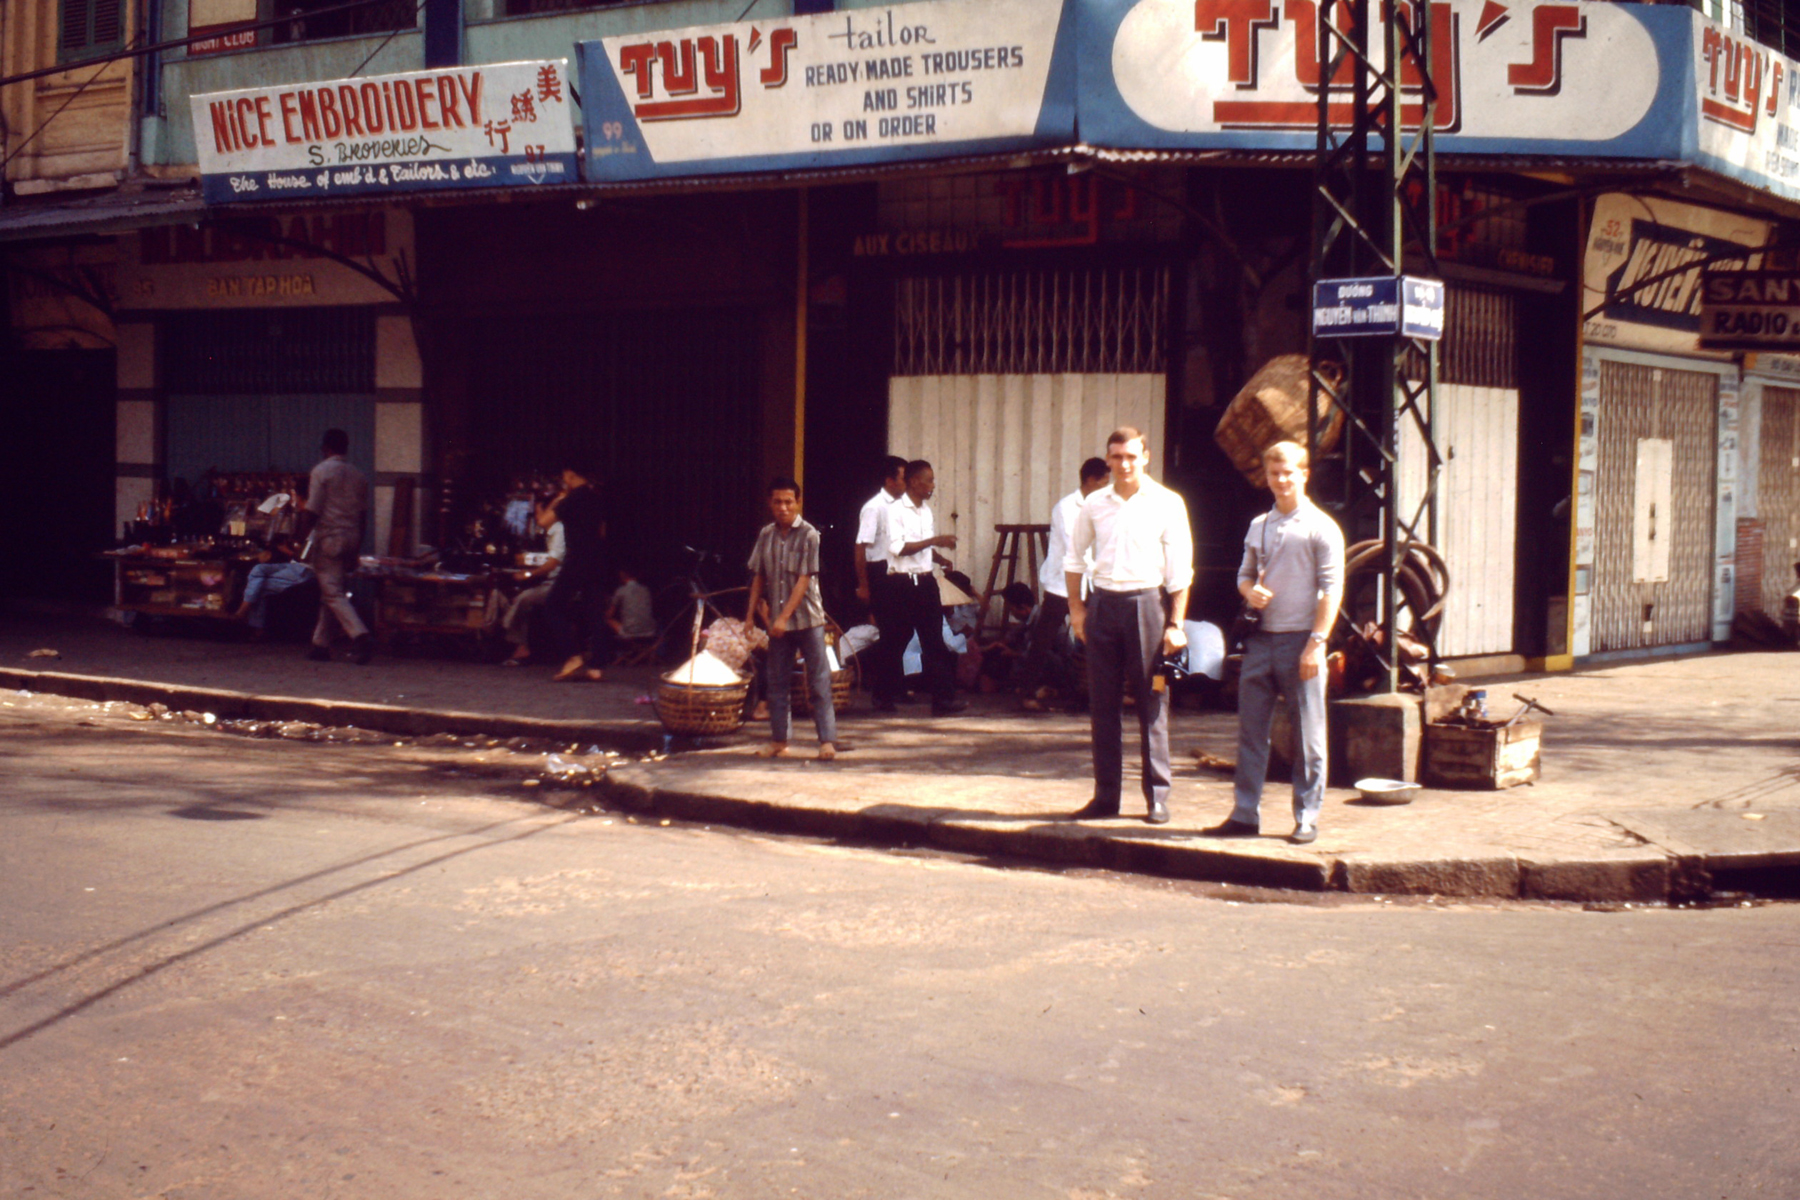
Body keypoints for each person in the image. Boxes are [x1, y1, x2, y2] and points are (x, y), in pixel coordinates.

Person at [1207, 440, 1345, 845]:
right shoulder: (1258, 525)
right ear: (1265, 477)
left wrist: (1316, 644)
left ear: (1304, 474)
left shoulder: (1321, 527)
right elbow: (1243, 575)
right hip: (1260, 642)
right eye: (1273, 473)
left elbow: (1330, 591)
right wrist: (1249, 592)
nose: (1281, 480)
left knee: (1309, 735)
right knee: (1251, 733)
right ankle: (1245, 814)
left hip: (1301, 641)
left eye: (1289, 472)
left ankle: (1306, 817)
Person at [1065, 427, 1194, 824]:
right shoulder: (1094, 504)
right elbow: (1074, 559)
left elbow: (1180, 572)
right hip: (1103, 607)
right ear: (1108, 460)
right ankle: (1106, 797)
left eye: (1131, 457)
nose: (1124, 465)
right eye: (1117, 457)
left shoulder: (1167, 503)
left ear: (1146, 457)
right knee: (1102, 706)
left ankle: (1157, 797)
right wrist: (1078, 611)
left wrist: (1175, 624)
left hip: (1147, 609)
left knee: (1152, 702)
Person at [745, 477, 837, 760]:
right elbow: (759, 576)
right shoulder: (766, 535)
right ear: (770, 504)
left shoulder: (809, 534)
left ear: (797, 502)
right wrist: (749, 616)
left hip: (807, 619)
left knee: (818, 681)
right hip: (778, 624)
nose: (783, 507)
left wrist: (782, 618)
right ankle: (779, 740)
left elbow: (803, 581)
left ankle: (826, 741)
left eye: (788, 502)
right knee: (777, 682)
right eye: (777, 502)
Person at [1020, 456, 1109, 711]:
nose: (1107, 489)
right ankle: (1026, 692)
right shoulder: (1066, 508)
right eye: (1103, 483)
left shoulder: (1102, 506)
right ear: (1090, 481)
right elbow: (1075, 547)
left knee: (1096, 638)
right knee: (1044, 638)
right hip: (1062, 582)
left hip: (1091, 583)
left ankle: (1087, 693)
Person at [885, 460, 966, 716]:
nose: (932, 485)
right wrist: (934, 540)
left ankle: (943, 701)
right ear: (913, 482)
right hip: (901, 583)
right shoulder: (895, 511)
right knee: (896, 641)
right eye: (928, 480)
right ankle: (882, 693)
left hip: (925, 581)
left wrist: (939, 557)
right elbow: (898, 548)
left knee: (934, 641)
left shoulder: (926, 511)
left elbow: (922, 548)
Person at [300, 428, 373, 664]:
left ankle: (360, 636)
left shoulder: (321, 471)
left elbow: (312, 510)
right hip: (351, 537)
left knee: (332, 593)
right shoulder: (358, 475)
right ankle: (320, 644)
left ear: (325, 448)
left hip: (330, 538)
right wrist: (357, 547)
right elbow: (363, 517)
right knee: (331, 592)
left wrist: (299, 537)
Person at [539, 462, 610, 683]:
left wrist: (559, 499)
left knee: (552, 606)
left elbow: (544, 521)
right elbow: (602, 530)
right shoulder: (596, 496)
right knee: (595, 610)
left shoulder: (571, 498)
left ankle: (572, 655)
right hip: (597, 558)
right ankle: (597, 666)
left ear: (570, 474)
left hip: (576, 559)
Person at [856, 456, 909, 711]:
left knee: (903, 632)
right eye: (903, 477)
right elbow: (861, 547)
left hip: (900, 574)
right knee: (889, 634)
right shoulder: (874, 507)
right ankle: (881, 693)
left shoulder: (904, 507)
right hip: (880, 574)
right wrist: (864, 584)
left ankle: (895, 688)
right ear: (890, 480)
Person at [500, 510, 564, 665]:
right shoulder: (550, 533)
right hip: (552, 580)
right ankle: (518, 641)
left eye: (539, 512)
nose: (537, 518)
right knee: (518, 596)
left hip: (560, 583)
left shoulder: (560, 531)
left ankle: (510, 636)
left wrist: (529, 574)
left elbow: (553, 562)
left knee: (524, 598)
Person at [235, 537, 313, 637]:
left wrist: (287, 551)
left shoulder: (318, 533)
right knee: (258, 568)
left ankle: (247, 615)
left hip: (304, 570)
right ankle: (246, 610)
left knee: (261, 586)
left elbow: (305, 558)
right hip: (292, 565)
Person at [975, 582, 1037, 692]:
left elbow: (1037, 654)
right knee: (998, 649)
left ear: (1022, 607)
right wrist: (1002, 643)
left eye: (1011, 609)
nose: (1011, 613)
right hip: (1030, 658)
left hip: (1053, 666)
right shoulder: (1027, 619)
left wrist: (1012, 653)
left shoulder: (1041, 621)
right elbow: (1012, 634)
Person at [606, 563, 656, 648]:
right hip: (650, 632)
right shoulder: (646, 590)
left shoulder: (621, 591)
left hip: (631, 633)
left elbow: (610, 614)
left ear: (622, 575)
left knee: (607, 619)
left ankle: (609, 651)